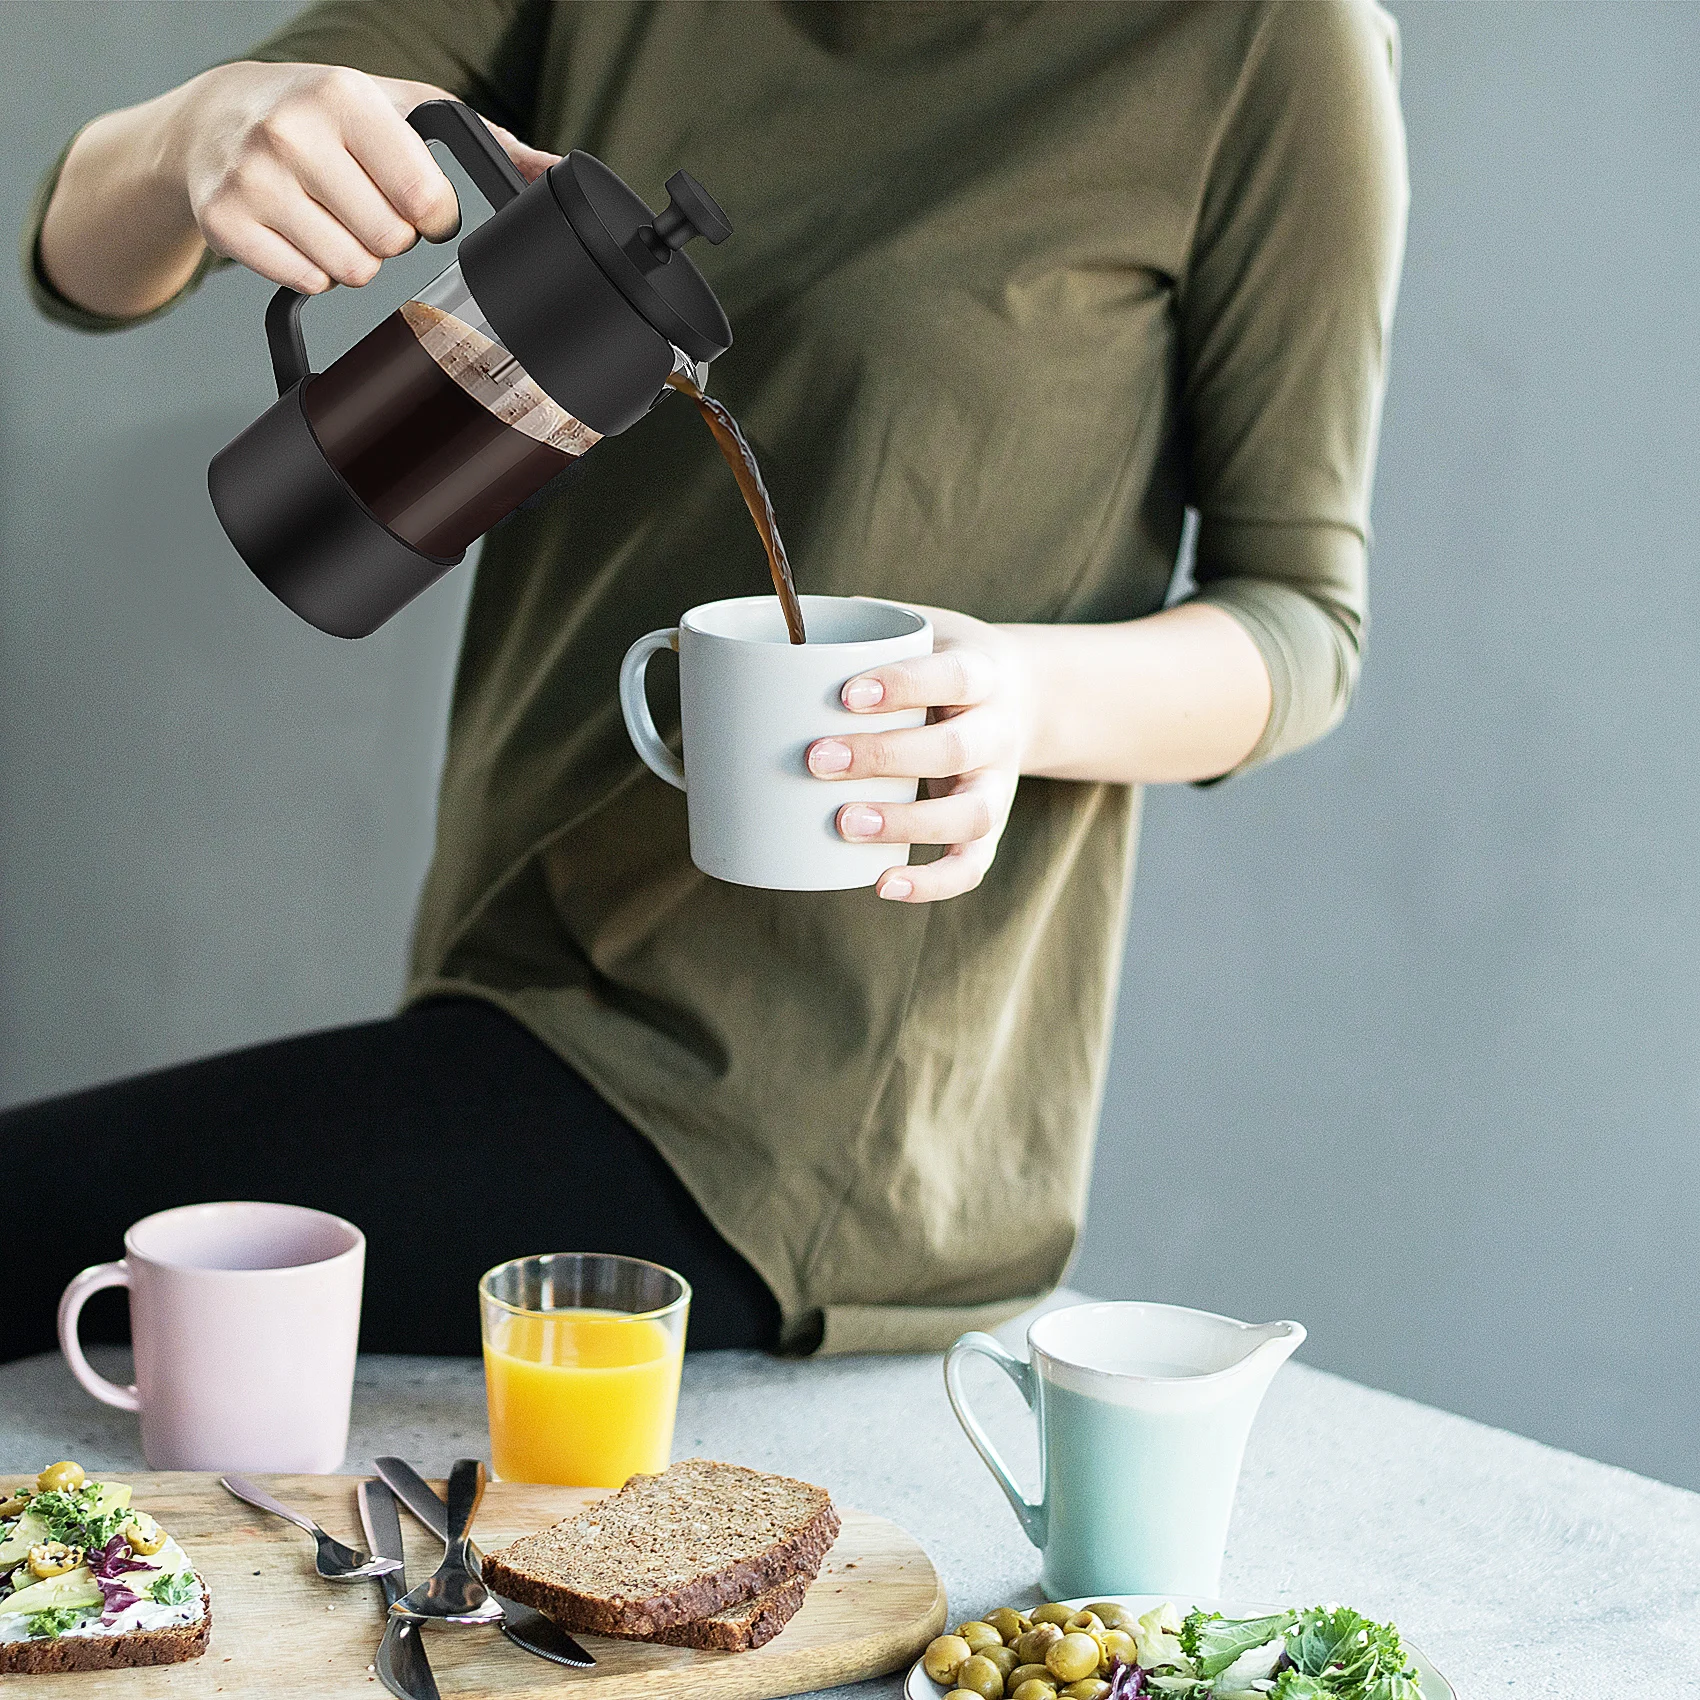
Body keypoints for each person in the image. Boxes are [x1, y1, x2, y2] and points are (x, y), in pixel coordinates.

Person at [5, 1, 1406, 1361]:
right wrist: (201, 127)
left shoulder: (1269, 40)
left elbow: (1303, 621)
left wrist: (1012, 699)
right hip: (500, 985)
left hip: (793, 1115)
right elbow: (86, 258)